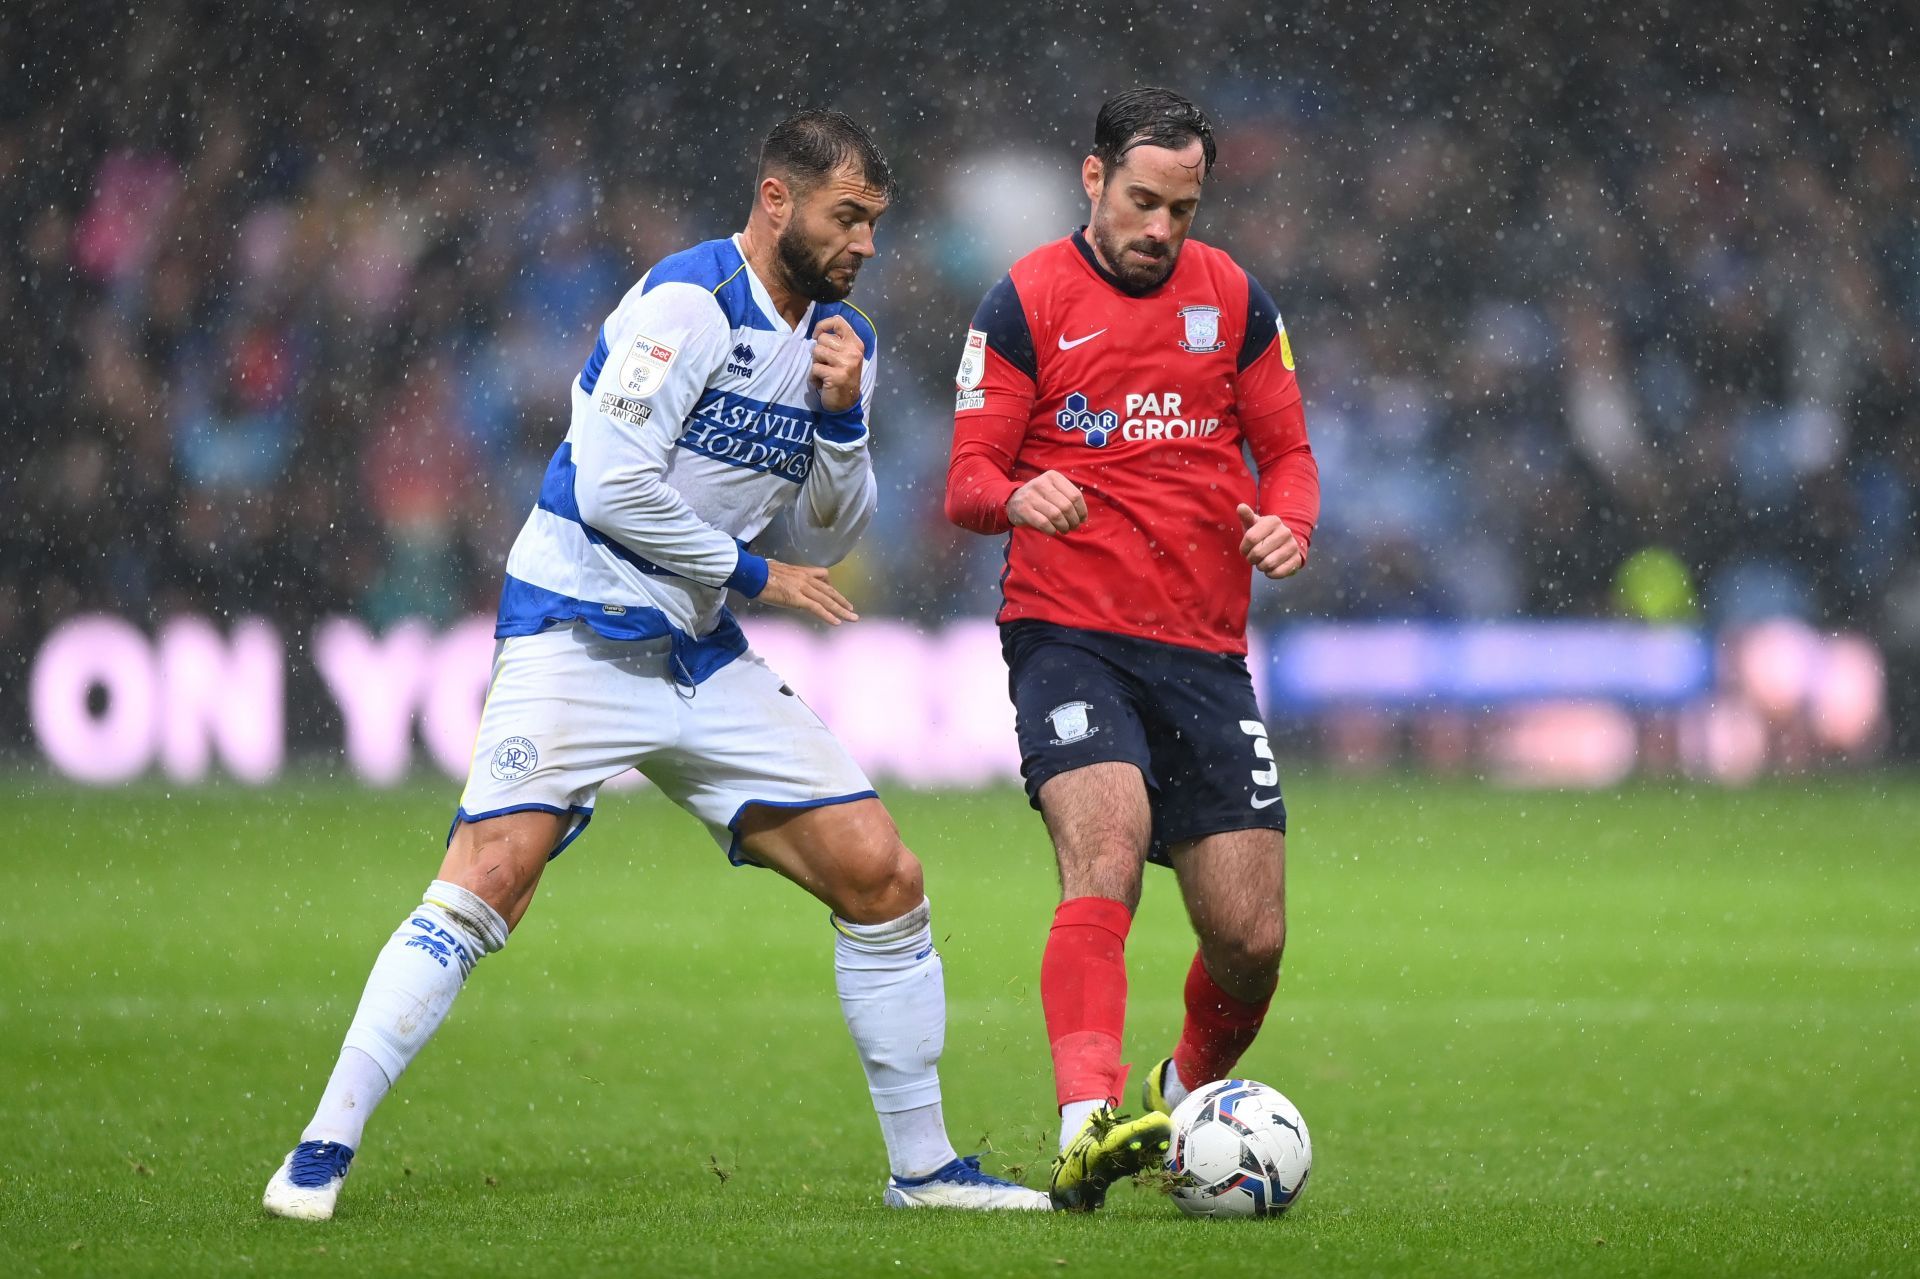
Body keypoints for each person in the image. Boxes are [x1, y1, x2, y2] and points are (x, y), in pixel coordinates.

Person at [263, 109, 1048, 1220]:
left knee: (883, 876)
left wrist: (837, 423)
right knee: (490, 876)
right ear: (777, 198)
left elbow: (829, 537)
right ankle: (318, 1151)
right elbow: (608, 487)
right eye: (848, 216)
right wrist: (751, 575)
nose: (867, 243)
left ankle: (922, 1170)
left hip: (694, 650)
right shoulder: (689, 303)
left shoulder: (840, 342)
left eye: (876, 221)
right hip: (577, 629)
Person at [943, 88, 1321, 1211]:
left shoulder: (1237, 300)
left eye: (1184, 209)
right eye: (1144, 201)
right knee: (1104, 851)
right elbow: (964, 482)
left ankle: (1176, 1096)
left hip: (1204, 653)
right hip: (1069, 637)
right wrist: (1020, 492)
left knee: (1251, 937)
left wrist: (1287, 523)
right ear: (1093, 178)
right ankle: (1085, 1121)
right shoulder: (1022, 303)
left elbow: (1290, 452)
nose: (1162, 229)